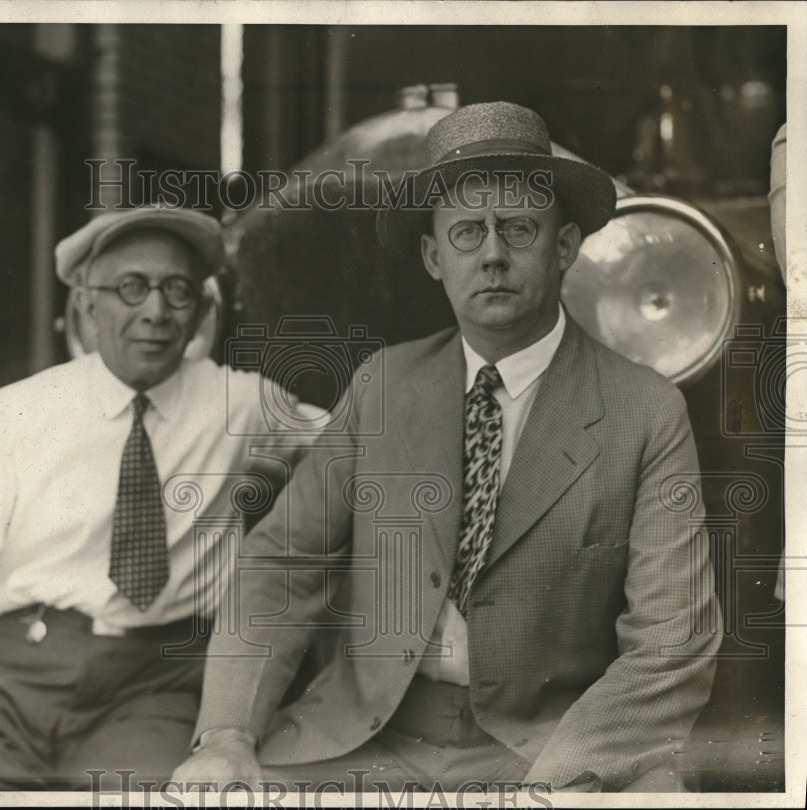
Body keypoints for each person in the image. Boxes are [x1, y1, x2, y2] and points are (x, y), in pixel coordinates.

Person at [174, 101, 721, 794]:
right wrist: (228, 734)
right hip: (364, 740)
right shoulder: (382, 385)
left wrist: (556, 782)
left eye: (518, 228)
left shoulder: (645, 409)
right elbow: (282, 561)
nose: (492, 254)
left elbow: (671, 642)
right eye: (466, 232)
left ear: (564, 247)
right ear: (434, 258)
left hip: (551, 749)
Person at [0, 206, 323, 790]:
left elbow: (360, 442)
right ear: (88, 306)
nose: (156, 311)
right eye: (131, 287)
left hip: (157, 681)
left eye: (178, 290)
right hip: (10, 675)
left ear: (200, 310)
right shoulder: (17, 412)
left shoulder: (240, 404)